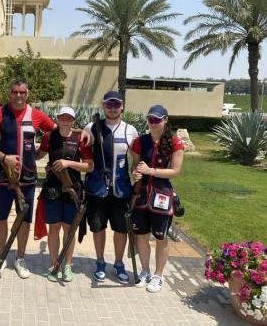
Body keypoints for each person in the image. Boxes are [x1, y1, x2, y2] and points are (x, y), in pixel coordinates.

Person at [0, 78, 55, 279]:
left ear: (27, 93)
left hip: (28, 179)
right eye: (15, 92)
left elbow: (54, 131)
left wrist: (42, 151)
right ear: (10, 93)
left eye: (22, 92)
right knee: (0, 218)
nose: (19, 96)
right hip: (2, 177)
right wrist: (4, 158)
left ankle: (20, 258)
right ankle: (1, 255)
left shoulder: (36, 115)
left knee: (24, 219)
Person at [83, 90, 139, 285]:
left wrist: (137, 172)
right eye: (109, 105)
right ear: (103, 106)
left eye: (116, 105)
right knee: (98, 227)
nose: (113, 108)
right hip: (97, 188)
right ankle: (100, 262)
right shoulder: (92, 127)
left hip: (121, 189)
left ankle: (118, 263)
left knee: (120, 229)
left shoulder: (130, 130)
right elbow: (83, 144)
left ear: (122, 106)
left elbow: (136, 160)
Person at [36, 107, 93, 282]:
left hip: (72, 189)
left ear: (73, 121)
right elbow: (38, 154)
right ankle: (55, 264)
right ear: (58, 119)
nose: (65, 121)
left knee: (69, 230)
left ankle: (67, 266)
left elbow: (89, 166)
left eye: (69, 118)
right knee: (54, 228)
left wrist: (68, 163)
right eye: (62, 118)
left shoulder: (80, 139)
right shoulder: (49, 137)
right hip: (52, 188)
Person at [131, 104, 184, 293]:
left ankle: (158, 275)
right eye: (150, 119)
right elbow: (135, 166)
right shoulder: (139, 142)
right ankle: (144, 270)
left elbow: (175, 171)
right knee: (141, 235)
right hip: (141, 195)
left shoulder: (175, 142)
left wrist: (151, 171)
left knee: (161, 237)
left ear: (165, 120)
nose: (153, 123)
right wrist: (136, 173)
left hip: (162, 194)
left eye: (157, 120)